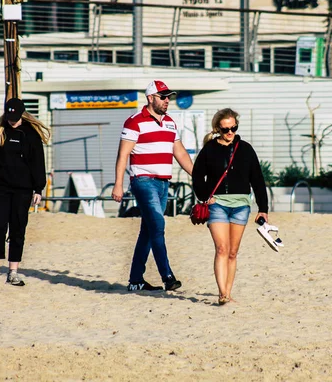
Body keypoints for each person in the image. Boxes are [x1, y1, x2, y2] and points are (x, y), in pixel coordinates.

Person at [111, 80, 193, 292]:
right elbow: (123, 155)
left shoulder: (170, 123)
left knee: (147, 231)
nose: (167, 100)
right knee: (158, 226)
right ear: (150, 98)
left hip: (164, 182)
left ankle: (136, 279)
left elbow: (181, 153)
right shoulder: (134, 122)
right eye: (163, 96)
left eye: (168, 97)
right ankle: (167, 276)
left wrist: (199, 176)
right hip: (143, 181)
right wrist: (118, 185)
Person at [192, 108, 268, 305]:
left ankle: (229, 292)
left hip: (241, 205)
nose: (230, 132)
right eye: (226, 129)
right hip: (217, 204)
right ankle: (222, 294)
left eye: (234, 128)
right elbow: (197, 175)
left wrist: (263, 208)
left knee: (233, 252)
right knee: (221, 249)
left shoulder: (246, 149)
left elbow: (258, 179)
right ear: (218, 129)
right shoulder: (209, 149)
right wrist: (205, 196)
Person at [0, 98, 50, 286]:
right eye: (9, 117)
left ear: (22, 115)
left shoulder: (30, 135)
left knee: (18, 228)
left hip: (23, 189)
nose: (12, 121)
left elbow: (37, 163)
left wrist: (38, 188)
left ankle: (13, 271)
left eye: (15, 117)